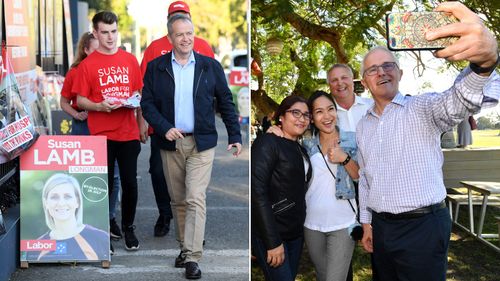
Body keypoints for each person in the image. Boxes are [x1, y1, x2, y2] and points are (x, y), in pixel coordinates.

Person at [356, 3, 499, 281]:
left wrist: (484, 64)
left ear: (400, 73)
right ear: (364, 81)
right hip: (382, 228)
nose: (381, 72)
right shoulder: (363, 126)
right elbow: (365, 178)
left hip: (422, 228)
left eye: (388, 65)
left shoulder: (422, 109)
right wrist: (367, 223)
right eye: (373, 69)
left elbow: (457, 101)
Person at [140, 14, 241, 279]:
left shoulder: (210, 66)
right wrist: (164, 127)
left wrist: (235, 135)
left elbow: (226, 102)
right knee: (179, 200)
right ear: (170, 38)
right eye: (179, 34)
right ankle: (185, 249)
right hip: (170, 142)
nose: (185, 38)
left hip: (202, 142)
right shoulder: (156, 67)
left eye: (189, 33)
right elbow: (147, 104)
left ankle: (193, 258)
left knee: (196, 197)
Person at [140, 0, 215, 238]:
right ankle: (165, 213)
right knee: (158, 171)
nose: (184, 35)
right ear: (169, 24)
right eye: (176, 16)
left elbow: (213, 86)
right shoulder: (154, 48)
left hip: (196, 130)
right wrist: (143, 120)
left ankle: (193, 230)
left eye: (184, 15)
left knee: (194, 188)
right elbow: (145, 91)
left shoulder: (202, 46)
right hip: (163, 127)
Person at [267, 91, 360, 280]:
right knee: (322, 275)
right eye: (319, 112)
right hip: (311, 223)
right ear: (311, 118)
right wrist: (273, 130)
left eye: (330, 109)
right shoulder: (305, 144)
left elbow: (362, 177)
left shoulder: (353, 139)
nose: (326, 116)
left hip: (343, 222)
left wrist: (345, 158)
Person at [74, 11, 147, 251]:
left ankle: (128, 227)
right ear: (95, 32)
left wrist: (141, 122)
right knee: (100, 185)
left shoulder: (129, 60)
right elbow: (80, 99)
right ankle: (103, 230)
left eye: (113, 31)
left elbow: (138, 94)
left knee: (129, 183)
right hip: (100, 135)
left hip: (127, 133)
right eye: (104, 32)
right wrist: (98, 106)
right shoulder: (88, 65)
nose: (110, 37)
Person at [59, 32, 123, 248]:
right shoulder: (76, 71)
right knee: (84, 175)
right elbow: (64, 101)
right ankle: (87, 222)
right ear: (86, 50)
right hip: (84, 127)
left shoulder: (110, 68)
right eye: (96, 48)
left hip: (108, 125)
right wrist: (76, 114)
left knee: (113, 176)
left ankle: (109, 218)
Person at [252, 95, 312, 281]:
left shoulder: (300, 148)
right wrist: (272, 242)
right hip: (273, 234)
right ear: (281, 117)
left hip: (295, 233)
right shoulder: (268, 142)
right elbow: (257, 192)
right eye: (295, 113)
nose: (301, 118)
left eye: (306, 115)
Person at [33, 173, 108, 261]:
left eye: (67, 197)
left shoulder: (100, 238)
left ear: (78, 202)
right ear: (46, 203)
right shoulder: (37, 245)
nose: (61, 203)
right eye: (54, 197)